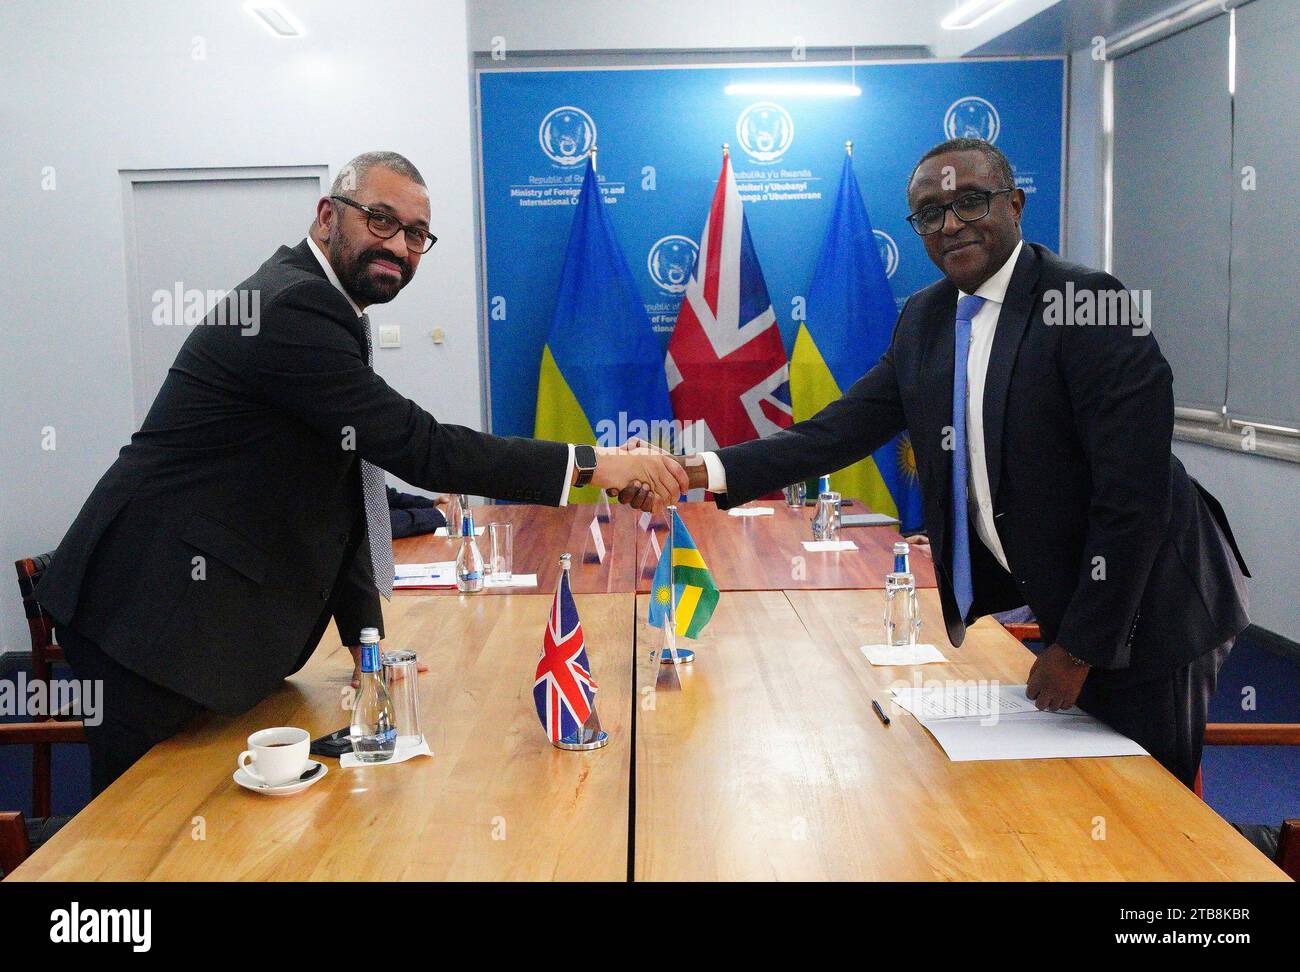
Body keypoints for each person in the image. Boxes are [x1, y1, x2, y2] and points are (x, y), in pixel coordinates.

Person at [38, 151, 687, 794]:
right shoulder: (292, 306)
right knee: (142, 827)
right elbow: (419, 446)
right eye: (380, 220)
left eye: (415, 235)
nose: (399, 245)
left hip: (201, 615)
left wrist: (365, 647)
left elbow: (346, 482)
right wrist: (599, 464)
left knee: (209, 811)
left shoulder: (330, 310)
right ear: (327, 216)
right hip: (147, 614)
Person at [622, 137, 1250, 788]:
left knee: (1143, 802)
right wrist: (694, 471)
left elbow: (1133, 498)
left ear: (1014, 204)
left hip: (1155, 599)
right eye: (929, 212)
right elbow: (833, 433)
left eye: (970, 202)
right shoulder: (926, 318)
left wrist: (1079, 648)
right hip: (1070, 593)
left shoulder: (1088, 306)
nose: (950, 224)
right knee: (1078, 785)